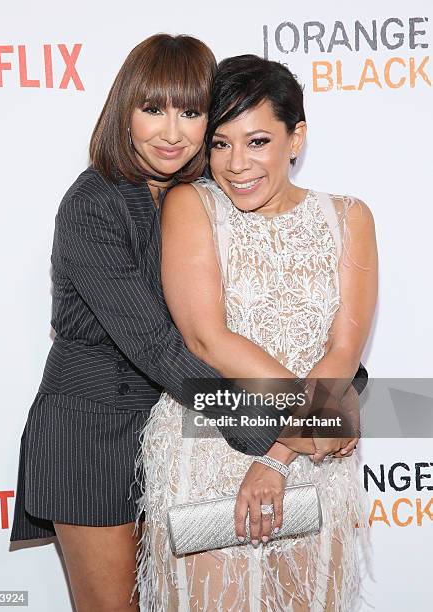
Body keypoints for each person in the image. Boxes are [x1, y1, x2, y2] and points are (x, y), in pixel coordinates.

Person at [9, 33, 366, 611]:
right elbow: (165, 347)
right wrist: (284, 428)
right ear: (123, 110)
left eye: (190, 111)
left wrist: (342, 391)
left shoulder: (208, 195)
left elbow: (268, 315)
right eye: (152, 109)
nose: (172, 132)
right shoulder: (93, 204)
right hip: (92, 436)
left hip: (175, 431)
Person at [136, 55, 378, 611]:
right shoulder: (190, 204)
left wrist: (277, 458)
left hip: (313, 460)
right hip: (212, 449)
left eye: (258, 141)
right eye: (220, 144)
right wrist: (312, 423)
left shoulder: (349, 217)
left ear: (297, 139)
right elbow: (207, 339)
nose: (236, 165)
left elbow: (343, 350)